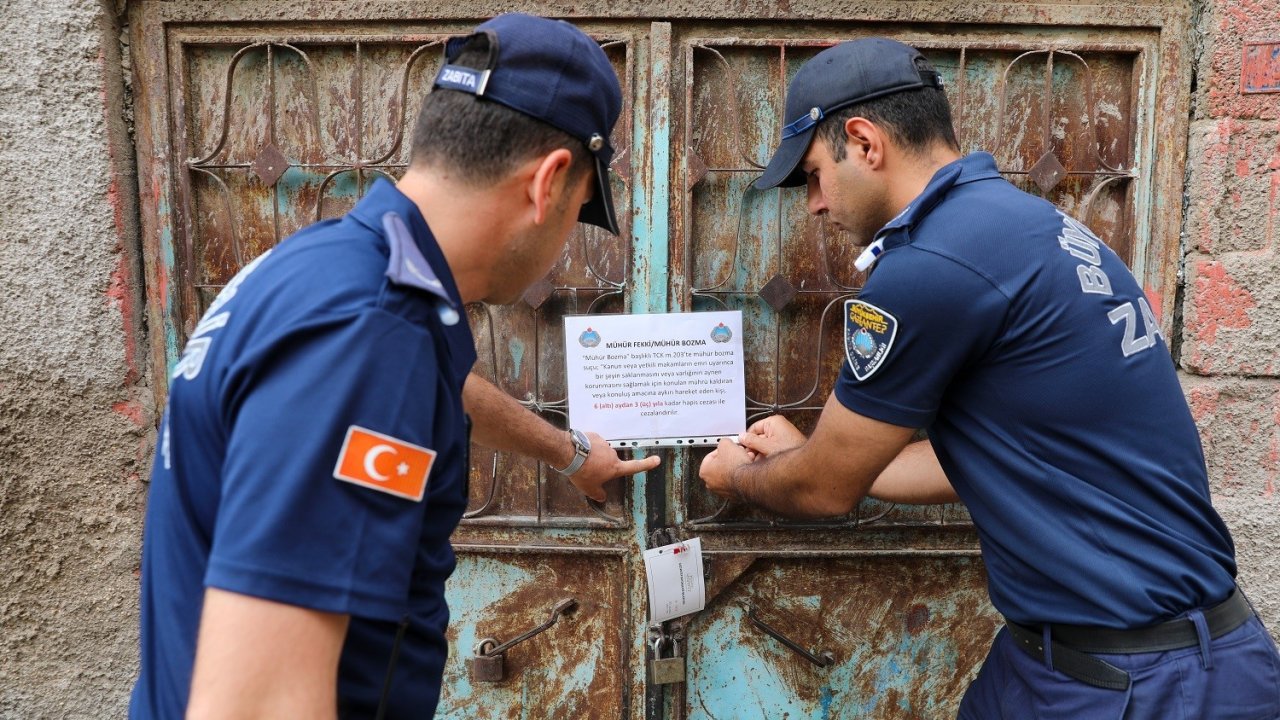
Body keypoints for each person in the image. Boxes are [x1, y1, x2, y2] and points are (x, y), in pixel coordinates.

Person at [699, 37, 1280, 719]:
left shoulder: (931, 263)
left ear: (863, 142)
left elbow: (825, 491)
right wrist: (822, 454)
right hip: (1069, 656)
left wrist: (738, 476)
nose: (814, 204)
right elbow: (995, 453)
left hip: (1143, 676)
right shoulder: (1028, 225)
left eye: (813, 174)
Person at [129, 14, 657, 719]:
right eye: (580, 212)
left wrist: (569, 453)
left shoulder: (336, 269)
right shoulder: (370, 333)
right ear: (548, 181)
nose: (563, 245)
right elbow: (256, 705)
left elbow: (439, 389)